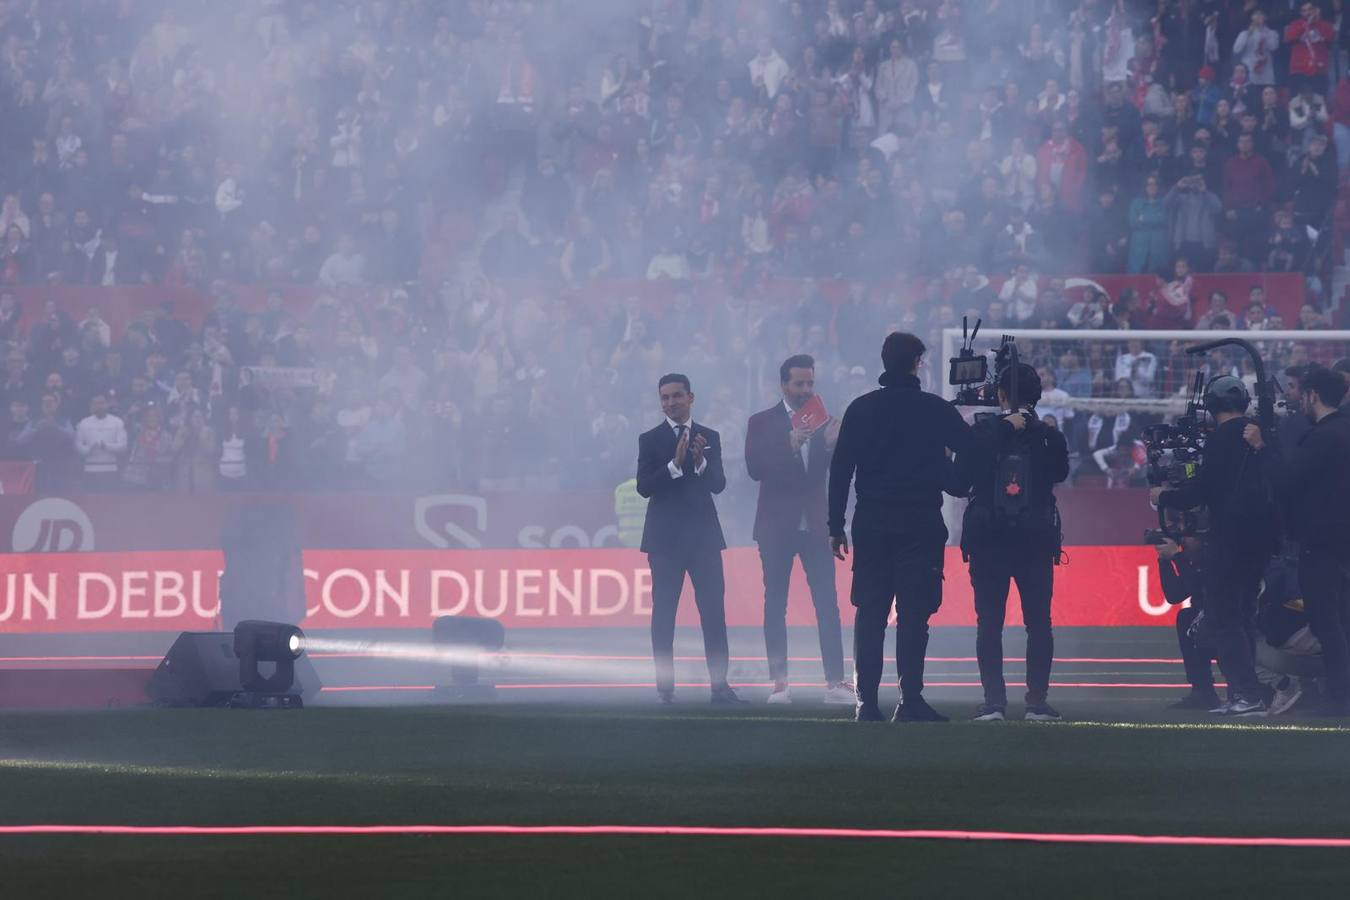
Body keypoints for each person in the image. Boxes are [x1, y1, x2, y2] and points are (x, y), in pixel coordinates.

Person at [828, 333, 973, 723]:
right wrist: (945, 468)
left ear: (884, 361)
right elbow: (968, 464)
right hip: (920, 523)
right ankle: (910, 700)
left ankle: (866, 704)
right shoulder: (935, 410)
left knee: (870, 613)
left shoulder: (860, 409)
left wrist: (835, 524)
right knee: (914, 614)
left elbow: (841, 469)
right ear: (917, 363)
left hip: (872, 523)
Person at [951, 364, 1070, 722]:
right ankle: (1036, 701)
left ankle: (994, 702)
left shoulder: (983, 432)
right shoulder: (1049, 434)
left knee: (989, 623)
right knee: (1038, 622)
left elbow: (960, 478)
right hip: (1034, 539)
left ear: (1000, 394)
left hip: (990, 541)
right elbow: (1061, 473)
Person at [1156, 376, 1278, 716]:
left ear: (1212, 405)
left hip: (1230, 540)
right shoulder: (1258, 435)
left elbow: (1202, 490)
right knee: (1242, 616)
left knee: (1224, 616)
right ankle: (1250, 691)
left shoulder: (1222, 439)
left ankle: (1245, 692)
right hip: (1259, 539)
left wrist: (1164, 495)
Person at [744, 355, 852, 705]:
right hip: (776, 527)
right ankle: (780, 684)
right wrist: (788, 444)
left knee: (828, 604)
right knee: (775, 603)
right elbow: (754, 468)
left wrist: (834, 446)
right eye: (799, 384)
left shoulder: (823, 421)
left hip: (815, 525)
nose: (806, 390)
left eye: (810, 383)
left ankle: (835, 683)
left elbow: (826, 475)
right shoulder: (761, 422)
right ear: (784, 385)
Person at [1245, 367, 1350, 715]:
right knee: (1335, 619)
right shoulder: (1342, 432)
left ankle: (1338, 696)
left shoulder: (1323, 437)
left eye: (1301, 393)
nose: (1299, 399)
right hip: (1337, 539)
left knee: (1326, 621)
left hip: (1320, 541)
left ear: (1313, 395)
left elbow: (1287, 482)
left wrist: (1261, 447)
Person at [635, 374, 742, 705]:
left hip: (704, 540)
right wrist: (674, 465)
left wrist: (700, 461)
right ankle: (665, 689)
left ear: (690, 397)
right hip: (665, 541)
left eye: (676, 396)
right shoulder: (649, 439)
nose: (670, 402)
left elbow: (718, 484)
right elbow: (644, 487)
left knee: (713, 613)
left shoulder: (709, 437)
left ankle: (719, 687)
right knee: (664, 614)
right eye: (665, 397)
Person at [1156, 529, 1221, 710]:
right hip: (1213, 619)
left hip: (1232, 618)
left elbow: (1199, 585)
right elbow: (1175, 595)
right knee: (1187, 617)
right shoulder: (1196, 559)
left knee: (1195, 620)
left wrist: (1178, 557)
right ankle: (1202, 690)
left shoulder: (1217, 555)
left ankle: (1242, 691)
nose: (1184, 542)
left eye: (1188, 537)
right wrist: (1164, 561)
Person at [74, 392, 127, 491]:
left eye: (102, 403)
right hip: (90, 469)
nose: (99, 406)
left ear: (107, 404)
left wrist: (106, 446)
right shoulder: (84, 423)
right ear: (92, 405)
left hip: (111, 469)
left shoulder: (117, 422)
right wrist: (89, 449)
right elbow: (78, 446)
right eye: (96, 403)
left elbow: (123, 446)